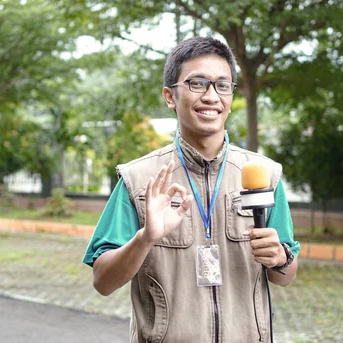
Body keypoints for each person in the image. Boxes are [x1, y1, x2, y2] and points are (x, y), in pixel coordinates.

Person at [83, 36, 299, 343]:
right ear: (170, 96)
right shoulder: (138, 179)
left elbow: (285, 277)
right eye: (197, 83)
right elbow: (103, 282)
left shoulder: (264, 176)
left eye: (222, 85)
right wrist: (145, 239)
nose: (211, 96)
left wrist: (280, 258)